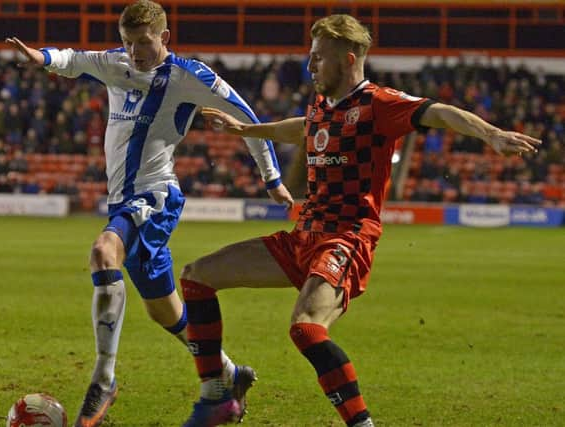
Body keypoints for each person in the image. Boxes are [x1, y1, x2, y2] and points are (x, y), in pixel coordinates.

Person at [179, 14, 541, 427]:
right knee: (196, 277)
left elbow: (439, 113)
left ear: (348, 60)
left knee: (306, 328)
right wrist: (245, 128)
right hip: (303, 237)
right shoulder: (321, 105)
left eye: (318, 58)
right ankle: (218, 395)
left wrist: (491, 134)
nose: (310, 65)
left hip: (346, 239)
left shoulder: (379, 104)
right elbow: (306, 128)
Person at [5, 1, 293, 426]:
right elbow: (73, 60)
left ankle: (105, 377)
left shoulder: (188, 76)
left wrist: (272, 180)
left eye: (143, 41)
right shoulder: (116, 64)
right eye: (128, 41)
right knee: (163, 310)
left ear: (165, 37)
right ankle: (230, 373)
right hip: (123, 200)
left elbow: (245, 117)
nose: (135, 51)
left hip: (155, 197)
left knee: (104, 252)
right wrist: (40, 57)